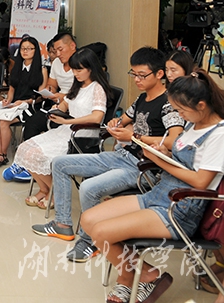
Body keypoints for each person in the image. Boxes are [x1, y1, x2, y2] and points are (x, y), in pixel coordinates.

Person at [82, 69, 224, 303]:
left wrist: (160, 161)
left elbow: (201, 181)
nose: (180, 116)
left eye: (181, 111)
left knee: (101, 232)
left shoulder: (218, 134)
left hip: (179, 208)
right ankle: (144, 275)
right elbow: (181, 158)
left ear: (201, 105)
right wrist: (163, 153)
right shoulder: (194, 124)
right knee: (88, 220)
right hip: (159, 194)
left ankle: (131, 279)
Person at [33, 46, 185, 264]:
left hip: (143, 167)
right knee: (59, 163)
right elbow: (122, 121)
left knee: (88, 187)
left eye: (142, 75)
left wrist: (135, 136)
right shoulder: (142, 99)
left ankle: (90, 240)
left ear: (159, 74)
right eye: (134, 74)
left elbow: (175, 141)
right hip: (122, 156)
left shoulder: (168, 104)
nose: (137, 80)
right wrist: (116, 124)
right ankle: (63, 224)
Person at [4, 49, 111, 210]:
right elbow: (66, 103)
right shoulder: (79, 85)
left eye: (79, 70)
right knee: (24, 148)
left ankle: (54, 192)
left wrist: (67, 120)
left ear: (91, 68)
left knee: (37, 154)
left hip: (82, 135)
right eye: (74, 70)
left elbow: (97, 117)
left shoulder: (97, 89)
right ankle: (45, 189)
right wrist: (58, 109)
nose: (75, 73)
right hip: (67, 130)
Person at [0, 35, 47, 168]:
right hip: (14, 104)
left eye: (29, 48)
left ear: (36, 50)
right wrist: (8, 100)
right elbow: (12, 89)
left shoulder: (42, 70)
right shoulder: (16, 68)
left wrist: (26, 101)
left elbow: (41, 96)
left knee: (4, 122)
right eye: (23, 48)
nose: (25, 51)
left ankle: (3, 155)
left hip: (30, 106)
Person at [20, 32, 77, 142]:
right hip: (58, 105)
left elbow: (84, 91)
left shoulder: (82, 64)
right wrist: (50, 91)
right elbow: (52, 84)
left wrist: (63, 96)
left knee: (56, 129)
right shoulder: (56, 63)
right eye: (55, 51)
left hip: (75, 106)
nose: (58, 54)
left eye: (61, 49)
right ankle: (34, 151)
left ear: (72, 46)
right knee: (31, 124)